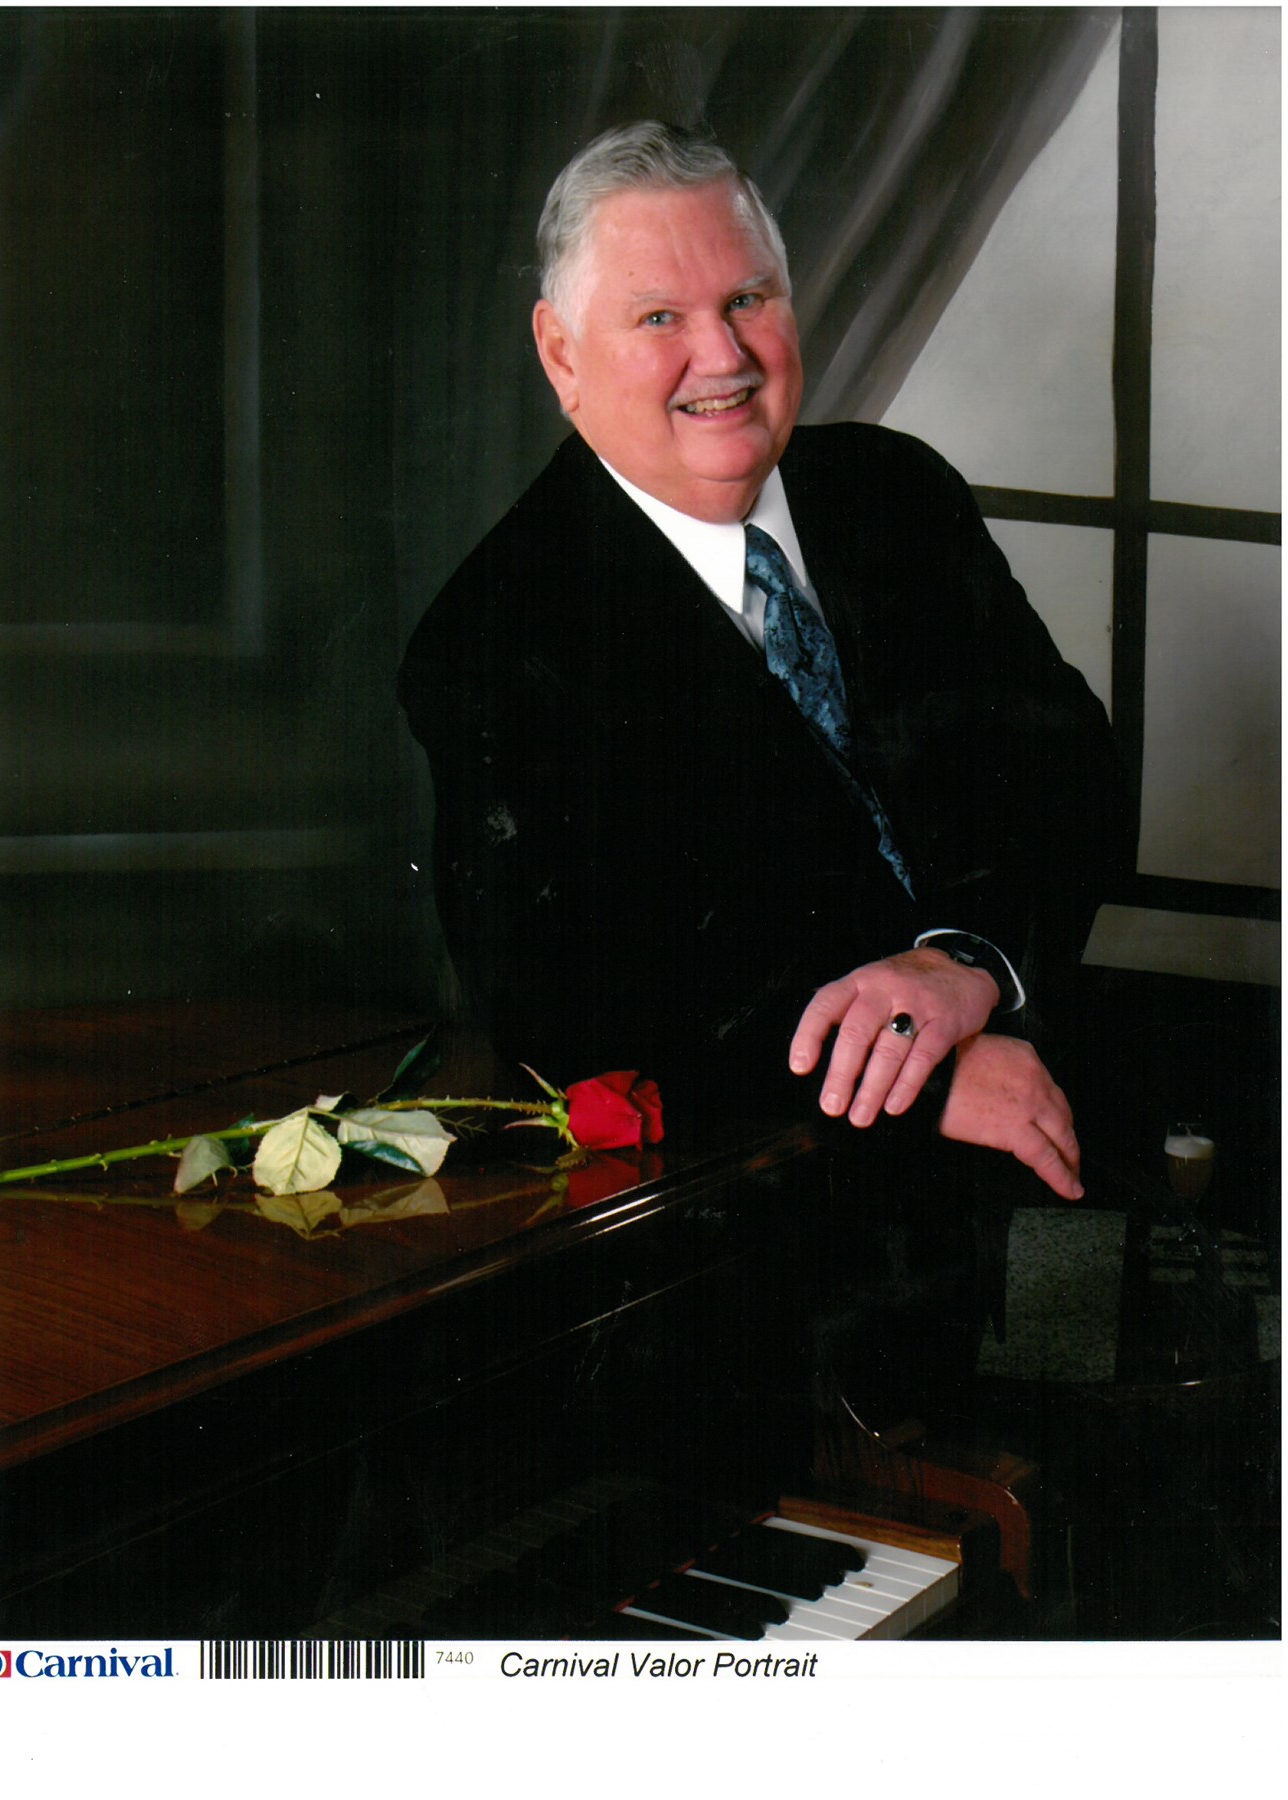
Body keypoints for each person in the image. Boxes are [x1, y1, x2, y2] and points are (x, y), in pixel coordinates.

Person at [399, 121, 1126, 1208]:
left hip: (1048, 1087)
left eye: (747, 299)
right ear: (561, 354)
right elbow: (565, 997)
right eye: (659, 318)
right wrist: (923, 1076)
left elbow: (1069, 773)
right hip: (754, 1203)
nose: (723, 358)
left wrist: (963, 966)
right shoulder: (494, 637)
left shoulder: (895, 491)